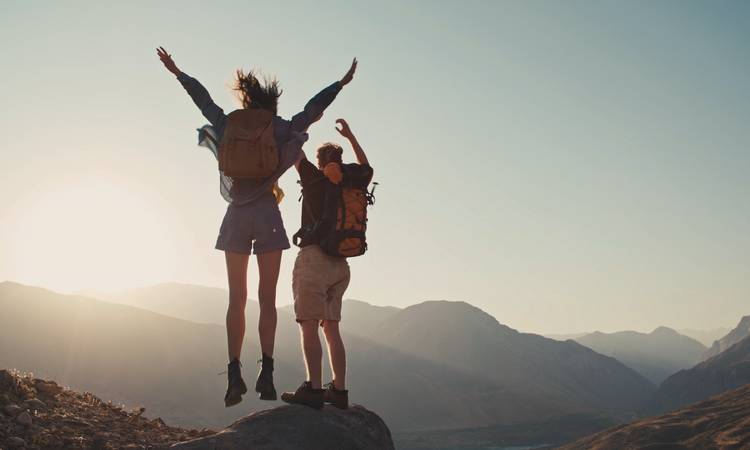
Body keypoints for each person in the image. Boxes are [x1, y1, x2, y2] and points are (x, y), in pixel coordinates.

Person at [156, 46, 357, 407]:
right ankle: (267, 373)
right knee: (266, 299)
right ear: (271, 102)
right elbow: (312, 111)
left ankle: (235, 374)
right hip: (268, 216)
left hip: (236, 216)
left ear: (246, 99)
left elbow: (202, 101)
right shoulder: (279, 128)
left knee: (236, 298)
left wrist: (177, 72)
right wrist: (339, 84)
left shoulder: (229, 123)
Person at [281, 119, 373, 409]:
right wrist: (351, 135)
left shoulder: (315, 178)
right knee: (332, 329)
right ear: (340, 161)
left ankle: (314, 389)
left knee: (308, 325)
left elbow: (295, 152)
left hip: (314, 260)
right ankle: (340, 391)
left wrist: (295, 129)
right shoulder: (353, 182)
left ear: (321, 162)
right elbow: (367, 166)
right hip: (341, 265)